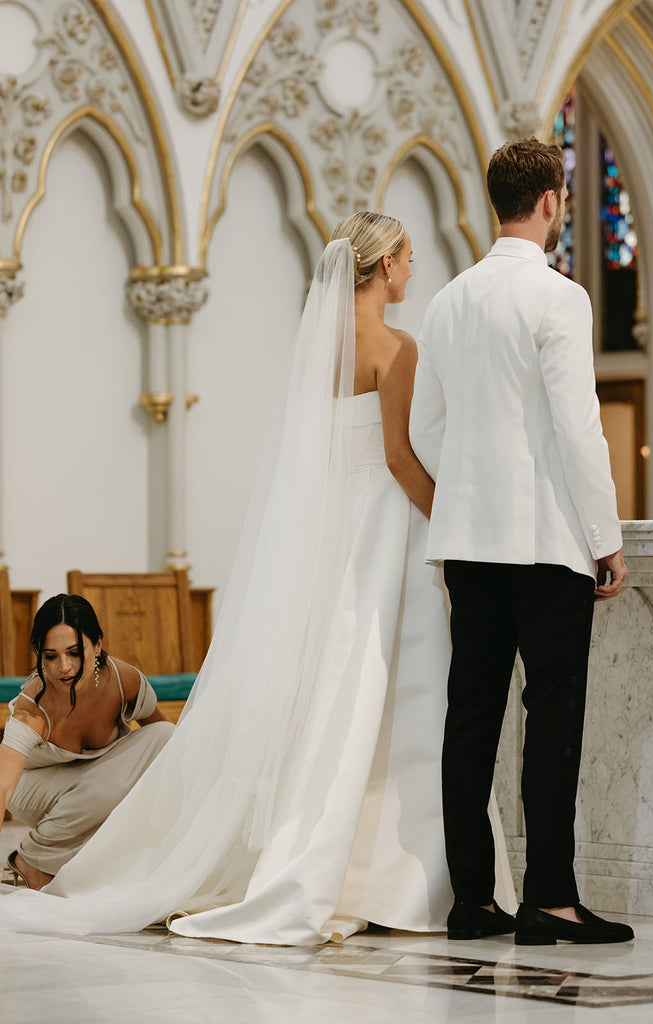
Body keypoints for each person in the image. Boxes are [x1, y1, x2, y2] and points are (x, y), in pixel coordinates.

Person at [0, 214, 514, 942]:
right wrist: (457, 526)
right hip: (388, 533)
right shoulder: (397, 348)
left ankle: (318, 852)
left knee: (331, 705)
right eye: (405, 257)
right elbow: (400, 461)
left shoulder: (319, 347)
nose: (410, 270)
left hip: (331, 534)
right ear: (382, 267)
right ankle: (392, 878)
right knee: (402, 705)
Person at [410, 138, 634, 945]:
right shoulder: (556, 297)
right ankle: (549, 898)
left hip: (466, 543)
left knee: (469, 717)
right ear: (549, 202)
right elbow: (578, 430)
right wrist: (604, 537)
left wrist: (470, 490)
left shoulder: (446, 301)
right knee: (552, 719)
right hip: (545, 542)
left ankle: (472, 900)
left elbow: (424, 428)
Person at [0, 594, 173, 889]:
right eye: (50, 656)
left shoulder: (123, 679)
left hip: (98, 782)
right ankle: (33, 859)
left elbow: (164, 739)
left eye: (75, 652)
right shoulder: (33, 709)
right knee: (110, 785)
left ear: (98, 645)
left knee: (166, 737)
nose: (64, 667)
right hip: (35, 789)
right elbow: (3, 785)